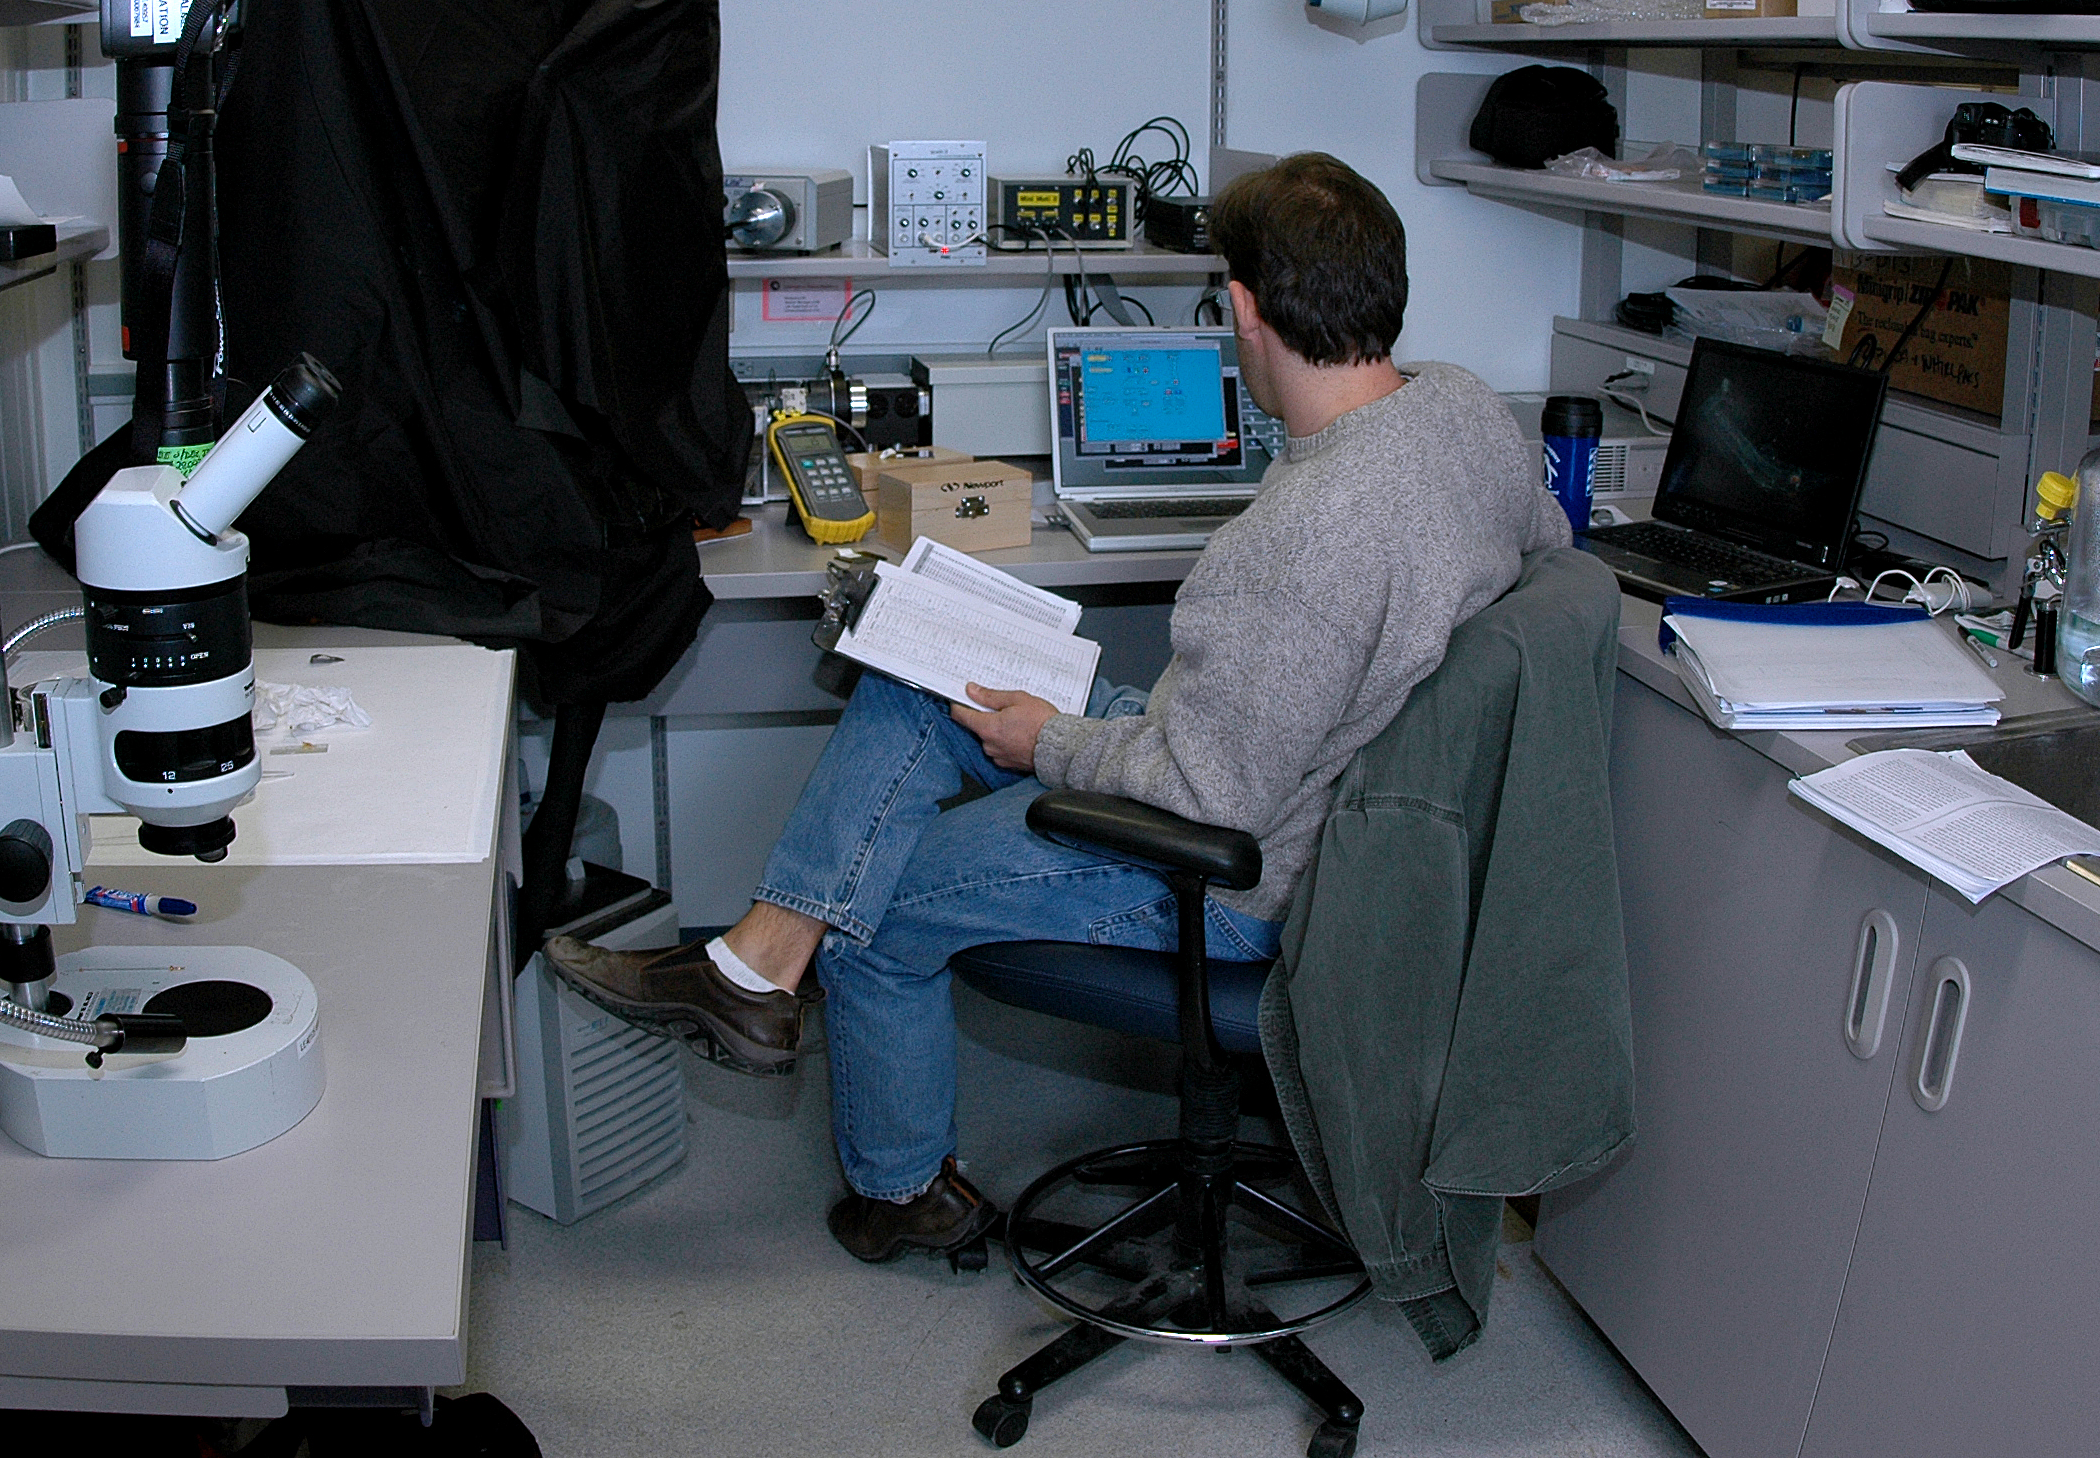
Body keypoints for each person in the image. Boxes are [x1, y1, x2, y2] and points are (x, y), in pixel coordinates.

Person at [544, 152, 1570, 1264]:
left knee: (875, 903)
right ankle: (755, 962)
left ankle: (896, 1183)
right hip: (1291, 772)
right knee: (925, 671)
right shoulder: (1461, 410)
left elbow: (1204, 792)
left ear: (1239, 308)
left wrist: (1049, 738)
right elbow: (1544, 550)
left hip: (1242, 863)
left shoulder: (1304, 531)